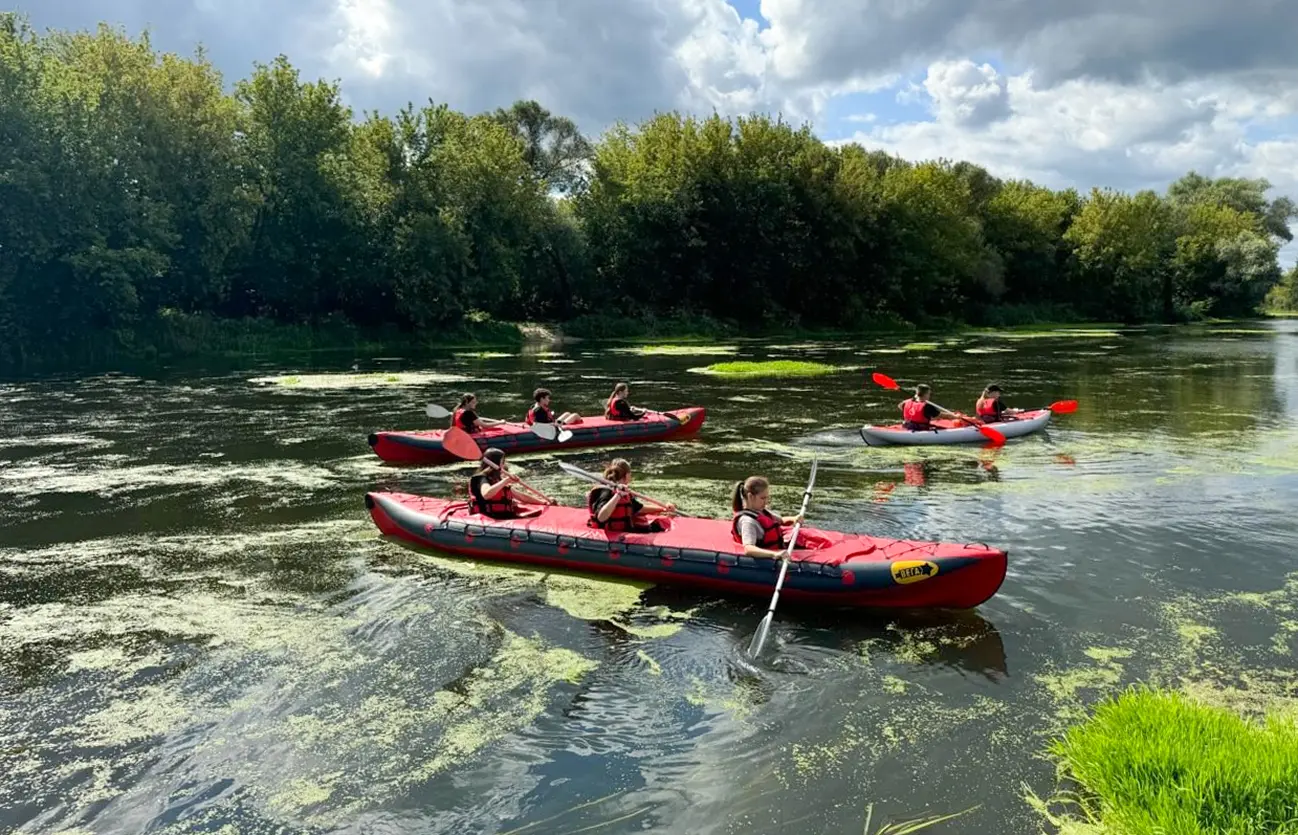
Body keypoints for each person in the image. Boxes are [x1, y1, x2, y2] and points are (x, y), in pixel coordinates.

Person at [587, 458, 676, 533]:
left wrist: (663, 508)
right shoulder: (605, 491)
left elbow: (639, 508)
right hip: (610, 533)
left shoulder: (624, 491)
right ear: (626, 475)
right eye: (630, 474)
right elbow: (601, 517)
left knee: (658, 525)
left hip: (624, 530)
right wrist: (618, 495)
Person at [730, 476, 804, 559]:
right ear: (750, 496)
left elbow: (781, 521)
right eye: (763, 498)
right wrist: (774, 554)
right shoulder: (748, 521)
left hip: (778, 547)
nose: (766, 502)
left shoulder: (761, 511)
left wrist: (794, 519)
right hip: (767, 557)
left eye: (767, 497)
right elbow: (749, 549)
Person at [468, 448, 553, 518]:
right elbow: (486, 494)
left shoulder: (497, 479)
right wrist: (505, 481)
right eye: (502, 462)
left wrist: (543, 502)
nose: (504, 464)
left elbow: (521, 496)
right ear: (496, 463)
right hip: (490, 516)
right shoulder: (481, 478)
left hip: (504, 516)